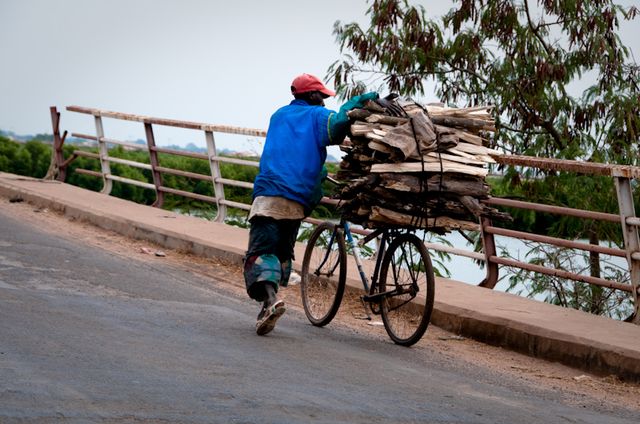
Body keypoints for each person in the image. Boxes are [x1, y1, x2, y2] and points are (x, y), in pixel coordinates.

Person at [244, 73, 386, 335]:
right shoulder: (318, 117)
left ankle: (270, 301)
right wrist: (355, 102)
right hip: (296, 200)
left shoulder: (278, 115)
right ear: (310, 95)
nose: (323, 101)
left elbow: (290, 150)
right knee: (282, 252)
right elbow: (337, 125)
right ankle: (270, 303)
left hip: (269, 194)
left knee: (262, 252)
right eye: (321, 96)